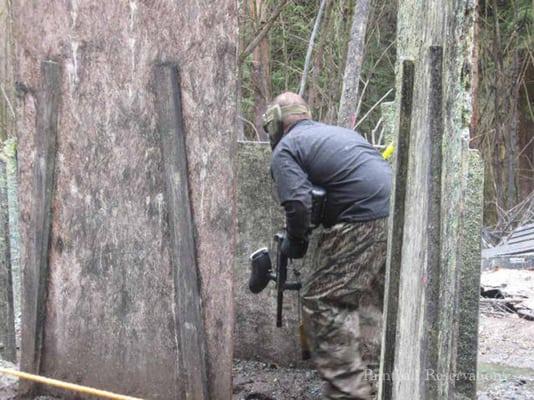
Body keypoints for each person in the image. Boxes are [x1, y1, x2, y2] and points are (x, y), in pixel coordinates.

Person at [263, 92, 392, 399]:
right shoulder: (337, 134)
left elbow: (297, 203)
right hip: (393, 215)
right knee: (367, 302)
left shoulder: (287, 148)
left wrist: (295, 243)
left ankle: (350, 392)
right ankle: (370, 381)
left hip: (360, 219)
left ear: (276, 125)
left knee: (323, 301)